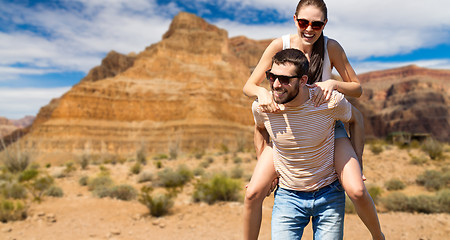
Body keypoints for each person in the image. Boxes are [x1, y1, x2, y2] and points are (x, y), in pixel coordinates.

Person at [243, 0, 384, 239]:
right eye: (303, 22)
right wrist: (262, 93)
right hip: (286, 124)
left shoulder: (331, 47)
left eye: (317, 24)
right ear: (295, 19)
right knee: (254, 191)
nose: (309, 28)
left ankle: (378, 235)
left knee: (355, 189)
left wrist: (334, 83)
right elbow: (249, 85)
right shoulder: (280, 45)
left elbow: (357, 88)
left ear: (325, 24)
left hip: (326, 122)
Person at [253, 48, 356, 239]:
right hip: (287, 197)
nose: (276, 85)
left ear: (302, 81)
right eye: (271, 76)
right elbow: (259, 128)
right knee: (251, 194)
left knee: (358, 191)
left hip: (329, 194)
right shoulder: (263, 106)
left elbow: (356, 118)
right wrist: (265, 170)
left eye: (284, 79)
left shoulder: (329, 102)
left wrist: (358, 162)